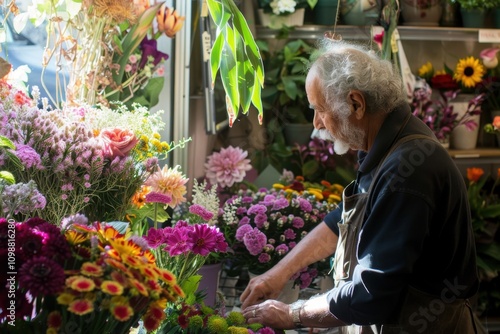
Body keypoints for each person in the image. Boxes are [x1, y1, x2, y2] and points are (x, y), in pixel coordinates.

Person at [240, 38, 483, 333]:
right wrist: (278, 274)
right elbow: (341, 221)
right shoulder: (389, 143)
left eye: (320, 109)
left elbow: (371, 294)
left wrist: (293, 314)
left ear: (356, 103)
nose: (316, 123)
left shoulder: (407, 171)